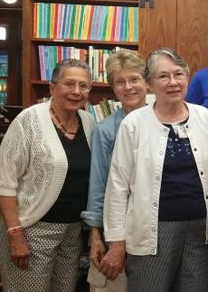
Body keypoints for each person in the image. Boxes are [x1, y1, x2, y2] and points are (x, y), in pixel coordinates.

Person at [103, 48, 208, 292]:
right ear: (149, 83)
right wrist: (116, 242)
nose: (173, 82)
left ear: (187, 77)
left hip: (202, 232)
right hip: (151, 233)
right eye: (163, 76)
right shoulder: (133, 124)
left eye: (179, 74)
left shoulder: (205, 117)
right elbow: (118, 186)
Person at [0, 59, 95, 292]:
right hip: (31, 230)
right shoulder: (28, 121)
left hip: (72, 233)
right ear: (52, 87)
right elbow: (4, 182)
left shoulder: (89, 123)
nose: (76, 91)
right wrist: (15, 235)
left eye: (84, 86)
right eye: (69, 83)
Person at [80, 49, 148, 292]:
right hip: (115, 229)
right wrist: (96, 236)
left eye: (134, 79)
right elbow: (98, 186)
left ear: (147, 82)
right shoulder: (106, 130)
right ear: (113, 88)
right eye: (120, 82)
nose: (128, 87)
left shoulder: (162, 122)